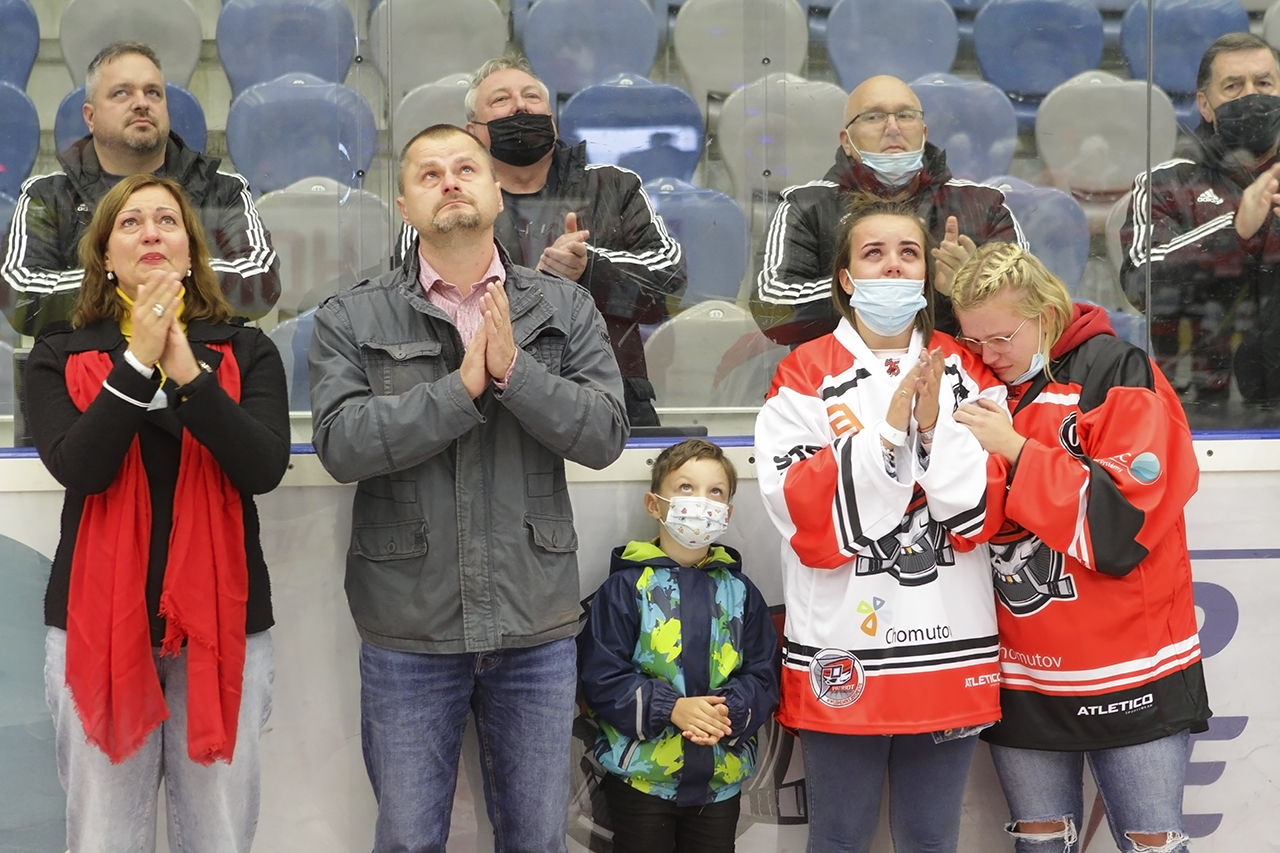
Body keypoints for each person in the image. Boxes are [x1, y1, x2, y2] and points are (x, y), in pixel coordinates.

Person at [308, 123, 628, 853]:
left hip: (533, 621)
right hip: (409, 624)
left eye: (465, 168)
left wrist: (516, 374)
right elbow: (341, 444)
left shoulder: (564, 308)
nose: (449, 181)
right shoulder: (351, 315)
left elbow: (605, 435)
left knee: (537, 840)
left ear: (496, 193)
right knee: (408, 840)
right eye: (429, 174)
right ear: (404, 206)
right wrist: (460, 391)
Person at [24, 174, 290, 852]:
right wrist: (139, 363)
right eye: (131, 222)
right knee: (105, 838)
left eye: (167, 221)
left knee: (218, 837)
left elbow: (262, 467)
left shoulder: (247, 349)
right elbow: (82, 467)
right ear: (105, 257)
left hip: (222, 628)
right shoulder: (57, 353)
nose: (150, 232)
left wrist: (190, 375)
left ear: (191, 252)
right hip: (97, 628)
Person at [753, 196, 1005, 853]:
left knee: (931, 838)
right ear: (845, 277)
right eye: (874, 253)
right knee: (839, 837)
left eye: (908, 253)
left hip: (949, 640)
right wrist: (890, 432)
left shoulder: (967, 368)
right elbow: (796, 507)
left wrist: (931, 427)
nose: (893, 266)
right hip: (843, 647)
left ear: (926, 274)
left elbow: (987, 505)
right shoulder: (804, 373)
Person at [950, 242, 1210, 853]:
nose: (988, 355)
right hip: (1024, 674)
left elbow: (1123, 527)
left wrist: (1017, 450)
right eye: (974, 340)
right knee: (1041, 842)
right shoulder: (978, 381)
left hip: (1134, 669)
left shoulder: (1117, 369)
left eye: (1002, 338)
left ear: (1046, 313)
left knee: (1151, 842)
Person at [394, 54, 686, 426]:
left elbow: (670, 285)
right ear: (473, 132)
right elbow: (410, 295)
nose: (520, 106)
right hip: (483, 405)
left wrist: (589, 267)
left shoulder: (614, 184)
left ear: (552, 119)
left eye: (531, 96)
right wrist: (536, 284)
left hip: (609, 400)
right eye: (501, 99)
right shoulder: (447, 201)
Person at [578, 438, 779, 853]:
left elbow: (764, 675)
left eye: (715, 491)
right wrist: (670, 707)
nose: (701, 501)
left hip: (720, 781)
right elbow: (601, 677)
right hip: (641, 781)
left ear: (727, 513)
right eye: (686, 487)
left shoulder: (741, 593)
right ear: (654, 505)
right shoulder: (625, 588)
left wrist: (725, 712)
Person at [2, 41, 279, 337]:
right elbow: (20, 295)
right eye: (122, 93)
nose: (141, 103)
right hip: (84, 361)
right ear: (90, 116)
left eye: (153, 92)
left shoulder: (223, 189)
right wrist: (145, 278)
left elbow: (260, 282)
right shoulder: (47, 196)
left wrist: (132, 280)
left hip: (202, 361)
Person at [751, 74, 1025, 347]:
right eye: (873, 117)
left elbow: (1029, 303)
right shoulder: (806, 205)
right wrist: (867, 286)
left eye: (905, 116)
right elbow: (771, 308)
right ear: (846, 141)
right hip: (833, 372)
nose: (893, 128)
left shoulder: (985, 206)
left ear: (924, 133)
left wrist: (968, 289)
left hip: (957, 370)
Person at [1122, 32, 1280, 407]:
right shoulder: (1166, 183)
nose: (1251, 96)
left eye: (1264, 83)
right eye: (1233, 86)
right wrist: (1234, 231)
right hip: (1199, 401)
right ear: (1205, 105)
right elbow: (1140, 283)